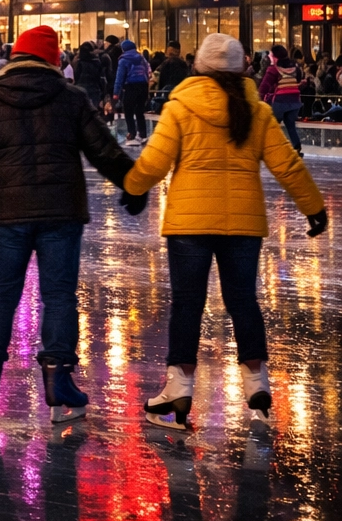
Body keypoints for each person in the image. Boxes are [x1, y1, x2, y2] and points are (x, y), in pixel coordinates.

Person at [0, 26, 138, 423]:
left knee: (1, 295)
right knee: (59, 296)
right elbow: (104, 149)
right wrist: (132, 182)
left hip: (8, 215)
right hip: (61, 213)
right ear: (52, 59)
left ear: (15, 57)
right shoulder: (71, 98)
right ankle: (59, 384)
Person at [122, 33, 326, 432]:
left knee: (187, 305)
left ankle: (179, 388)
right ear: (241, 68)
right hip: (243, 223)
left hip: (189, 223)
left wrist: (133, 188)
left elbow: (155, 160)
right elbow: (287, 165)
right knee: (243, 302)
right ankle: (257, 384)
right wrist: (314, 208)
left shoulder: (181, 106)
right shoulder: (258, 111)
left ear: (200, 66)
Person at [259, 44, 304, 153]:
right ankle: (296, 147)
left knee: (272, 125)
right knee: (290, 125)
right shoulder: (295, 68)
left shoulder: (273, 69)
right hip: (295, 101)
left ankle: (269, 148)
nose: (269, 57)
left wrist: (259, 99)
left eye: (271, 55)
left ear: (275, 57)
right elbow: (298, 80)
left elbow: (264, 86)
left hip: (280, 102)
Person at [113, 39, 152, 145]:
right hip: (143, 87)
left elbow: (119, 77)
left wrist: (116, 93)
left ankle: (132, 134)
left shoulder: (123, 60)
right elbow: (148, 73)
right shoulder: (142, 58)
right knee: (139, 111)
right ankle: (143, 135)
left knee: (128, 111)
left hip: (131, 87)